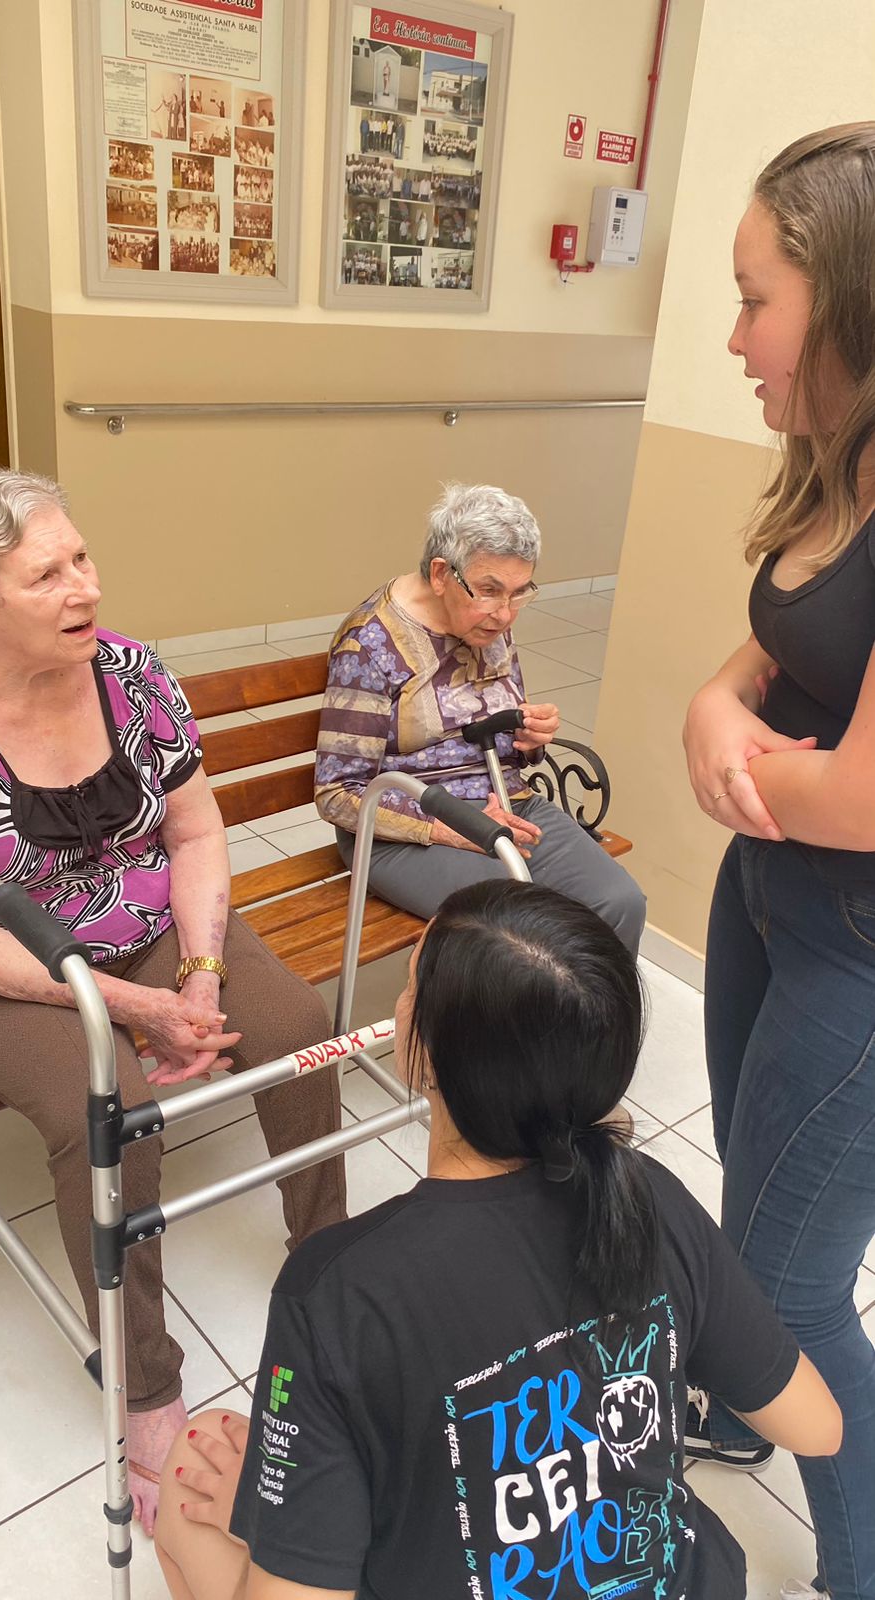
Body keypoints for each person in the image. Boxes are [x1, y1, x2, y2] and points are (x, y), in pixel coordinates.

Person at [154, 879, 841, 1599]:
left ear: (426, 1054)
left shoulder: (336, 1289)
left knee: (190, 1472)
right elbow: (817, 1426)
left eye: (410, 987)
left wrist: (269, 1523)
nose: (401, 1004)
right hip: (686, 1581)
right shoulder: (646, 1195)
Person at [0, 468, 346, 1536]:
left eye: (82, 557)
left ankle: (327, 1257)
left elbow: (194, 830)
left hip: (149, 926)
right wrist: (132, 1015)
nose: (84, 586)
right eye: (46, 576)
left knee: (299, 1031)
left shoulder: (130, 673)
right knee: (114, 1114)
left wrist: (201, 972)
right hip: (14, 971)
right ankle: (143, 1382)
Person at [682, 125, 875, 1600]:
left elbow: (864, 800)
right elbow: (777, 644)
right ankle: (748, 1414)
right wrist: (711, 702)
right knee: (752, 1206)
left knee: (791, 1284)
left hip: (855, 948)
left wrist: (741, 756)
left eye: (756, 303)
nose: (735, 337)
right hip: (768, 897)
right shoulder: (837, 461)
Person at [314, 482, 646, 955]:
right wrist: (450, 826)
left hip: (504, 803)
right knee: (519, 926)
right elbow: (338, 794)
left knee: (619, 903)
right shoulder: (370, 644)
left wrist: (529, 740)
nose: (505, 614)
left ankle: (592, 1008)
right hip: (407, 831)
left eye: (519, 593)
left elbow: (502, 737)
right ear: (440, 574)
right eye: (489, 591)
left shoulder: (486, 621)